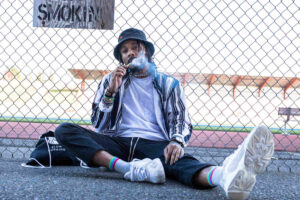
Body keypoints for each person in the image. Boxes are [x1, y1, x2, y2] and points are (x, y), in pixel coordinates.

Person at [54, 28, 274, 200]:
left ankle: (225, 176)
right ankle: (129, 169)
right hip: (118, 144)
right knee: (64, 130)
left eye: (135, 47)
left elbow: (180, 119)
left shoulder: (168, 83)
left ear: (147, 51)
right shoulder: (110, 81)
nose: (130, 52)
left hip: (154, 144)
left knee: (181, 163)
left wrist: (177, 141)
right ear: (121, 58)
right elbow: (99, 126)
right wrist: (112, 91)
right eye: (124, 50)